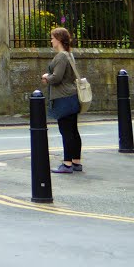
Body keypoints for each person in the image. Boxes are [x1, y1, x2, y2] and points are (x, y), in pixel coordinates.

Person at [41, 26, 82, 174]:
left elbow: (57, 77)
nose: (51, 40)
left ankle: (67, 164)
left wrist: (46, 78)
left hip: (63, 97)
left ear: (58, 40)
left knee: (66, 132)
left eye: (52, 38)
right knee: (73, 131)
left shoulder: (60, 56)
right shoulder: (69, 55)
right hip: (72, 97)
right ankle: (76, 162)